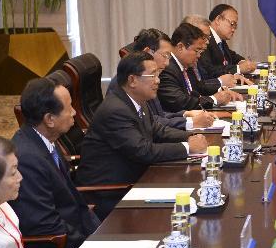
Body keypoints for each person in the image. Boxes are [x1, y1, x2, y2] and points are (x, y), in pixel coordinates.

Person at [78, 52, 208, 216]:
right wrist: (187, 147)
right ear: (132, 80)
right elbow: (143, 151)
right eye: (152, 75)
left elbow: (157, 130)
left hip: (137, 178)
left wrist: (190, 136)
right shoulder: (116, 110)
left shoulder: (135, 100)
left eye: (158, 74)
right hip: (110, 193)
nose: (158, 80)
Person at [9, 78, 101, 248]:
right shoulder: (27, 159)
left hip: (77, 235)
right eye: (69, 108)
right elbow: (46, 225)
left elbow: (73, 202)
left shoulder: (45, 140)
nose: (75, 112)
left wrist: (101, 235)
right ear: (49, 119)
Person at [109, 28, 215, 129]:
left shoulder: (149, 77)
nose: (167, 63)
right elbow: (151, 123)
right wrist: (190, 122)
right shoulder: (129, 81)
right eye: (165, 55)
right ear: (148, 52)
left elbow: (157, 114)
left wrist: (185, 114)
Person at [157, 23, 239, 113]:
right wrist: (214, 99)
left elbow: (198, 88)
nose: (199, 55)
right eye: (196, 51)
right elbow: (181, 102)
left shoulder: (185, 65)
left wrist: (221, 91)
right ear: (180, 47)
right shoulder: (166, 69)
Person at [197, 4, 257, 79]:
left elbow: (231, 55)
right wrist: (238, 69)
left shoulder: (220, 40)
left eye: (235, 26)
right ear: (218, 20)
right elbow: (209, 70)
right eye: (232, 24)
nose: (233, 29)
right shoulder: (204, 39)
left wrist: (242, 62)